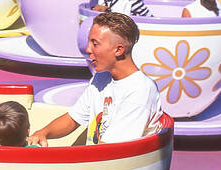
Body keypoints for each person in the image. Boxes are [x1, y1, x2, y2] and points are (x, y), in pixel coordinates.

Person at [28, 12, 161, 146]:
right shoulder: (101, 78)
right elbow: (72, 119)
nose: (87, 49)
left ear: (118, 50)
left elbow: (111, 151)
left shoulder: (140, 91)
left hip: (108, 163)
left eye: (95, 44)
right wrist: (43, 132)